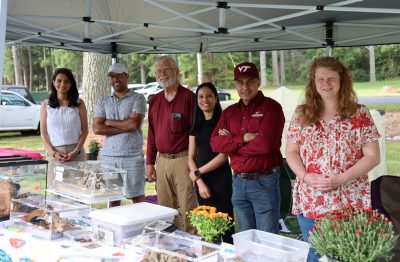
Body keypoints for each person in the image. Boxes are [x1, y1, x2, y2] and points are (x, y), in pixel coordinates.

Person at [285, 56, 381, 262]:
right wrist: (305, 176)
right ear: (313, 81)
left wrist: (343, 178)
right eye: (320, 79)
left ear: (341, 80)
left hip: (350, 196)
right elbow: (291, 151)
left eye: (331, 78)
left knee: (349, 253)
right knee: (315, 252)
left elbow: (373, 156)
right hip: (312, 197)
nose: (326, 84)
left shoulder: (359, 113)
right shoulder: (302, 113)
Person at [210, 62, 285, 234]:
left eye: (250, 81)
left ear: (258, 82)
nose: (245, 87)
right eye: (240, 82)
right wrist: (244, 137)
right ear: (235, 84)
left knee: (267, 239)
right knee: (246, 238)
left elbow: (265, 145)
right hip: (238, 182)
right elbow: (215, 143)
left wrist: (231, 145)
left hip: (264, 182)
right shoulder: (229, 112)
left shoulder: (271, 108)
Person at [146, 55, 197, 232]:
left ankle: (190, 247)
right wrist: (150, 163)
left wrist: (193, 163)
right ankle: (169, 247)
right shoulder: (154, 101)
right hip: (162, 161)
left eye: (166, 70)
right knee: (164, 210)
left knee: (187, 207)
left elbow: (195, 134)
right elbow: (152, 135)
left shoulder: (189, 98)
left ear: (176, 71)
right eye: (159, 71)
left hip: (183, 160)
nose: (162, 74)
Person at [93, 63, 147, 205]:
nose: (115, 79)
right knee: (113, 199)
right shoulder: (103, 101)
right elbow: (97, 128)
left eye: (119, 75)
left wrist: (109, 122)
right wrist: (125, 124)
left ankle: (140, 226)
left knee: (137, 198)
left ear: (126, 76)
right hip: (109, 158)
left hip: (132, 156)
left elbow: (134, 124)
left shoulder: (138, 98)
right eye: (112, 76)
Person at [188, 82, 234, 243]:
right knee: (208, 227)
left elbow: (223, 156)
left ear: (216, 99)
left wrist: (198, 173)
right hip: (202, 182)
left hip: (220, 180)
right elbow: (190, 157)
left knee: (226, 224)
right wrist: (199, 182)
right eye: (201, 97)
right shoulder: (196, 125)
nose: (205, 100)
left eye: (209, 96)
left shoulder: (223, 123)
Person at [40, 68, 88, 187]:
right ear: (53, 82)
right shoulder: (46, 105)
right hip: (55, 155)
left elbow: (85, 131)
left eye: (66, 81)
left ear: (71, 84)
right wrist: (54, 153)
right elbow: (44, 134)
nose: (62, 84)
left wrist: (76, 151)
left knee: (78, 191)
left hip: (76, 153)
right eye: (59, 81)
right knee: (55, 191)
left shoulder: (79, 103)